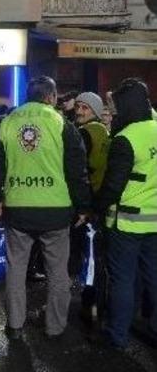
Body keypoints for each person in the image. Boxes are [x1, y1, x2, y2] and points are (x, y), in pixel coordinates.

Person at [0, 76, 91, 341]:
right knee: (57, 272)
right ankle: (55, 327)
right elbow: (76, 171)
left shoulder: (6, 123)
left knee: (16, 269)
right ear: (52, 97)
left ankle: (15, 325)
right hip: (56, 211)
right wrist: (83, 206)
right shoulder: (61, 124)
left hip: (17, 208)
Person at [94, 78, 157, 349]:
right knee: (154, 278)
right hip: (154, 221)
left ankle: (116, 335)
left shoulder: (126, 138)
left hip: (127, 223)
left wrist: (95, 210)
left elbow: (113, 187)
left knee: (122, 281)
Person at [73, 92, 110, 325]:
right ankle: (98, 305)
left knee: (88, 258)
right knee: (97, 257)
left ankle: (89, 306)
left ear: (94, 111)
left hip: (88, 203)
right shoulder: (105, 133)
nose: (79, 111)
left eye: (85, 108)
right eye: (77, 106)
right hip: (101, 202)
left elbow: (78, 170)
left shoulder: (85, 133)